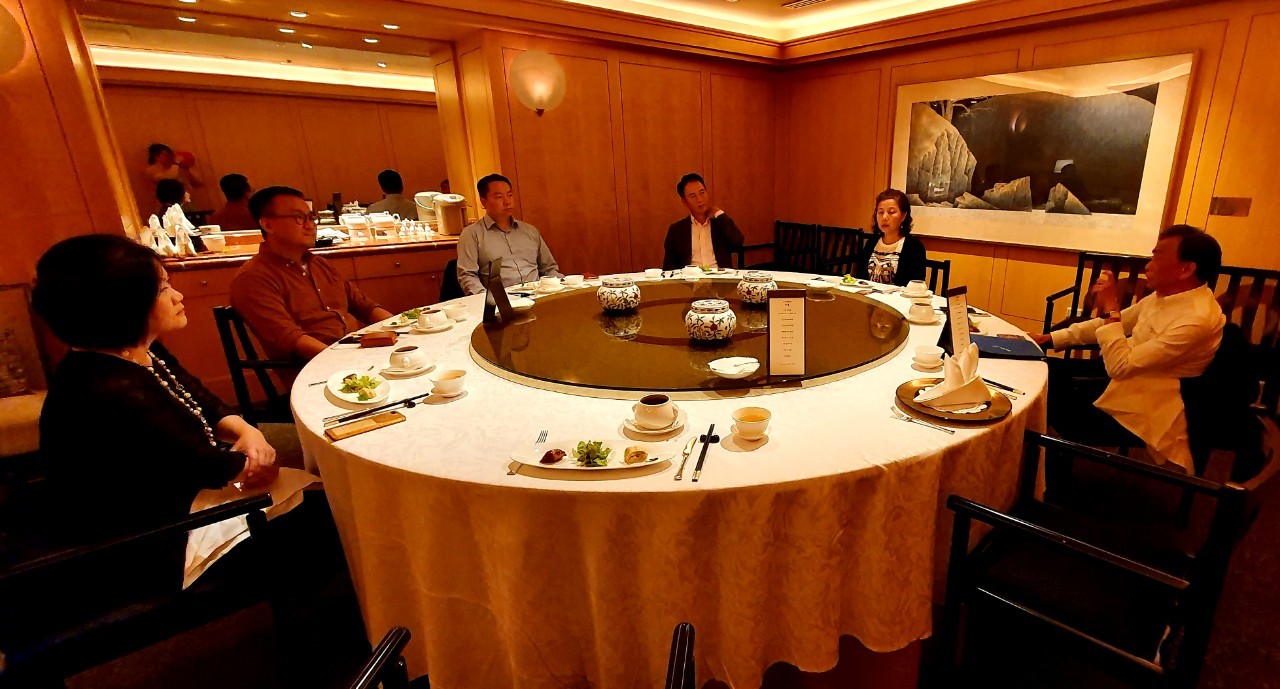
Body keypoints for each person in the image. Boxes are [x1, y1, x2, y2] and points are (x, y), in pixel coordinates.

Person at [33, 234, 278, 585]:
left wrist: (246, 431)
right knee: (325, 517)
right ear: (122, 303)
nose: (178, 296)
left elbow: (201, 399)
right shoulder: (109, 388)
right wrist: (259, 458)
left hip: (179, 500)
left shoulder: (134, 349)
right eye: (162, 288)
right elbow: (207, 467)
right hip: (151, 541)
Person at [1031, 224, 1225, 472]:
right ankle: (1037, 462)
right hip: (1126, 377)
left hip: (1146, 403)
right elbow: (1117, 324)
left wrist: (1111, 308)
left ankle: (1040, 475)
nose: (1148, 265)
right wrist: (1049, 338)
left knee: (1049, 395)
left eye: (1157, 257)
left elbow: (1119, 365)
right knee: (1042, 370)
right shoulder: (1165, 296)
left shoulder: (1198, 319)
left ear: (1186, 269)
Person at [230, 186, 393, 362]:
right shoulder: (253, 278)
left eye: (311, 218)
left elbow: (366, 307)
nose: (310, 226)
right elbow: (292, 339)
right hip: (318, 367)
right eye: (299, 218)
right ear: (268, 225)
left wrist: (401, 329)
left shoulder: (318, 264)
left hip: (357, 350)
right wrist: (346, 360)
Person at [456, 174, 561, 295]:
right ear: (484, 202)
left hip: (538, 295)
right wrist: (488, 300)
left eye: (510, 195)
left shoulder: (530, 231)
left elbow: (549, 269)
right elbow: (468, 276)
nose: (507, 202)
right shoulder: (472, 234)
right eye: (499, 197)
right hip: (502, 299)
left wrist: (561, 285)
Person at [662, 173, 743, 271]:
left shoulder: (720, 223)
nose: (700, 199)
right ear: (684, 201)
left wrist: (719, 214)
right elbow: (668, 267)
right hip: (690, 279)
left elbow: (738, 242)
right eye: (693, 196)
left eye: (702, 193)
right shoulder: (676, 231)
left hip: (720, 277)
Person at [856, 188, 927, 286]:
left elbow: (915, 286)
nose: (884, 217)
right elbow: (860, 278)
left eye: (891, 212)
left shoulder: (914, 247)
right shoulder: (871, 242)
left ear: (903, 216)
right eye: (880, 212)